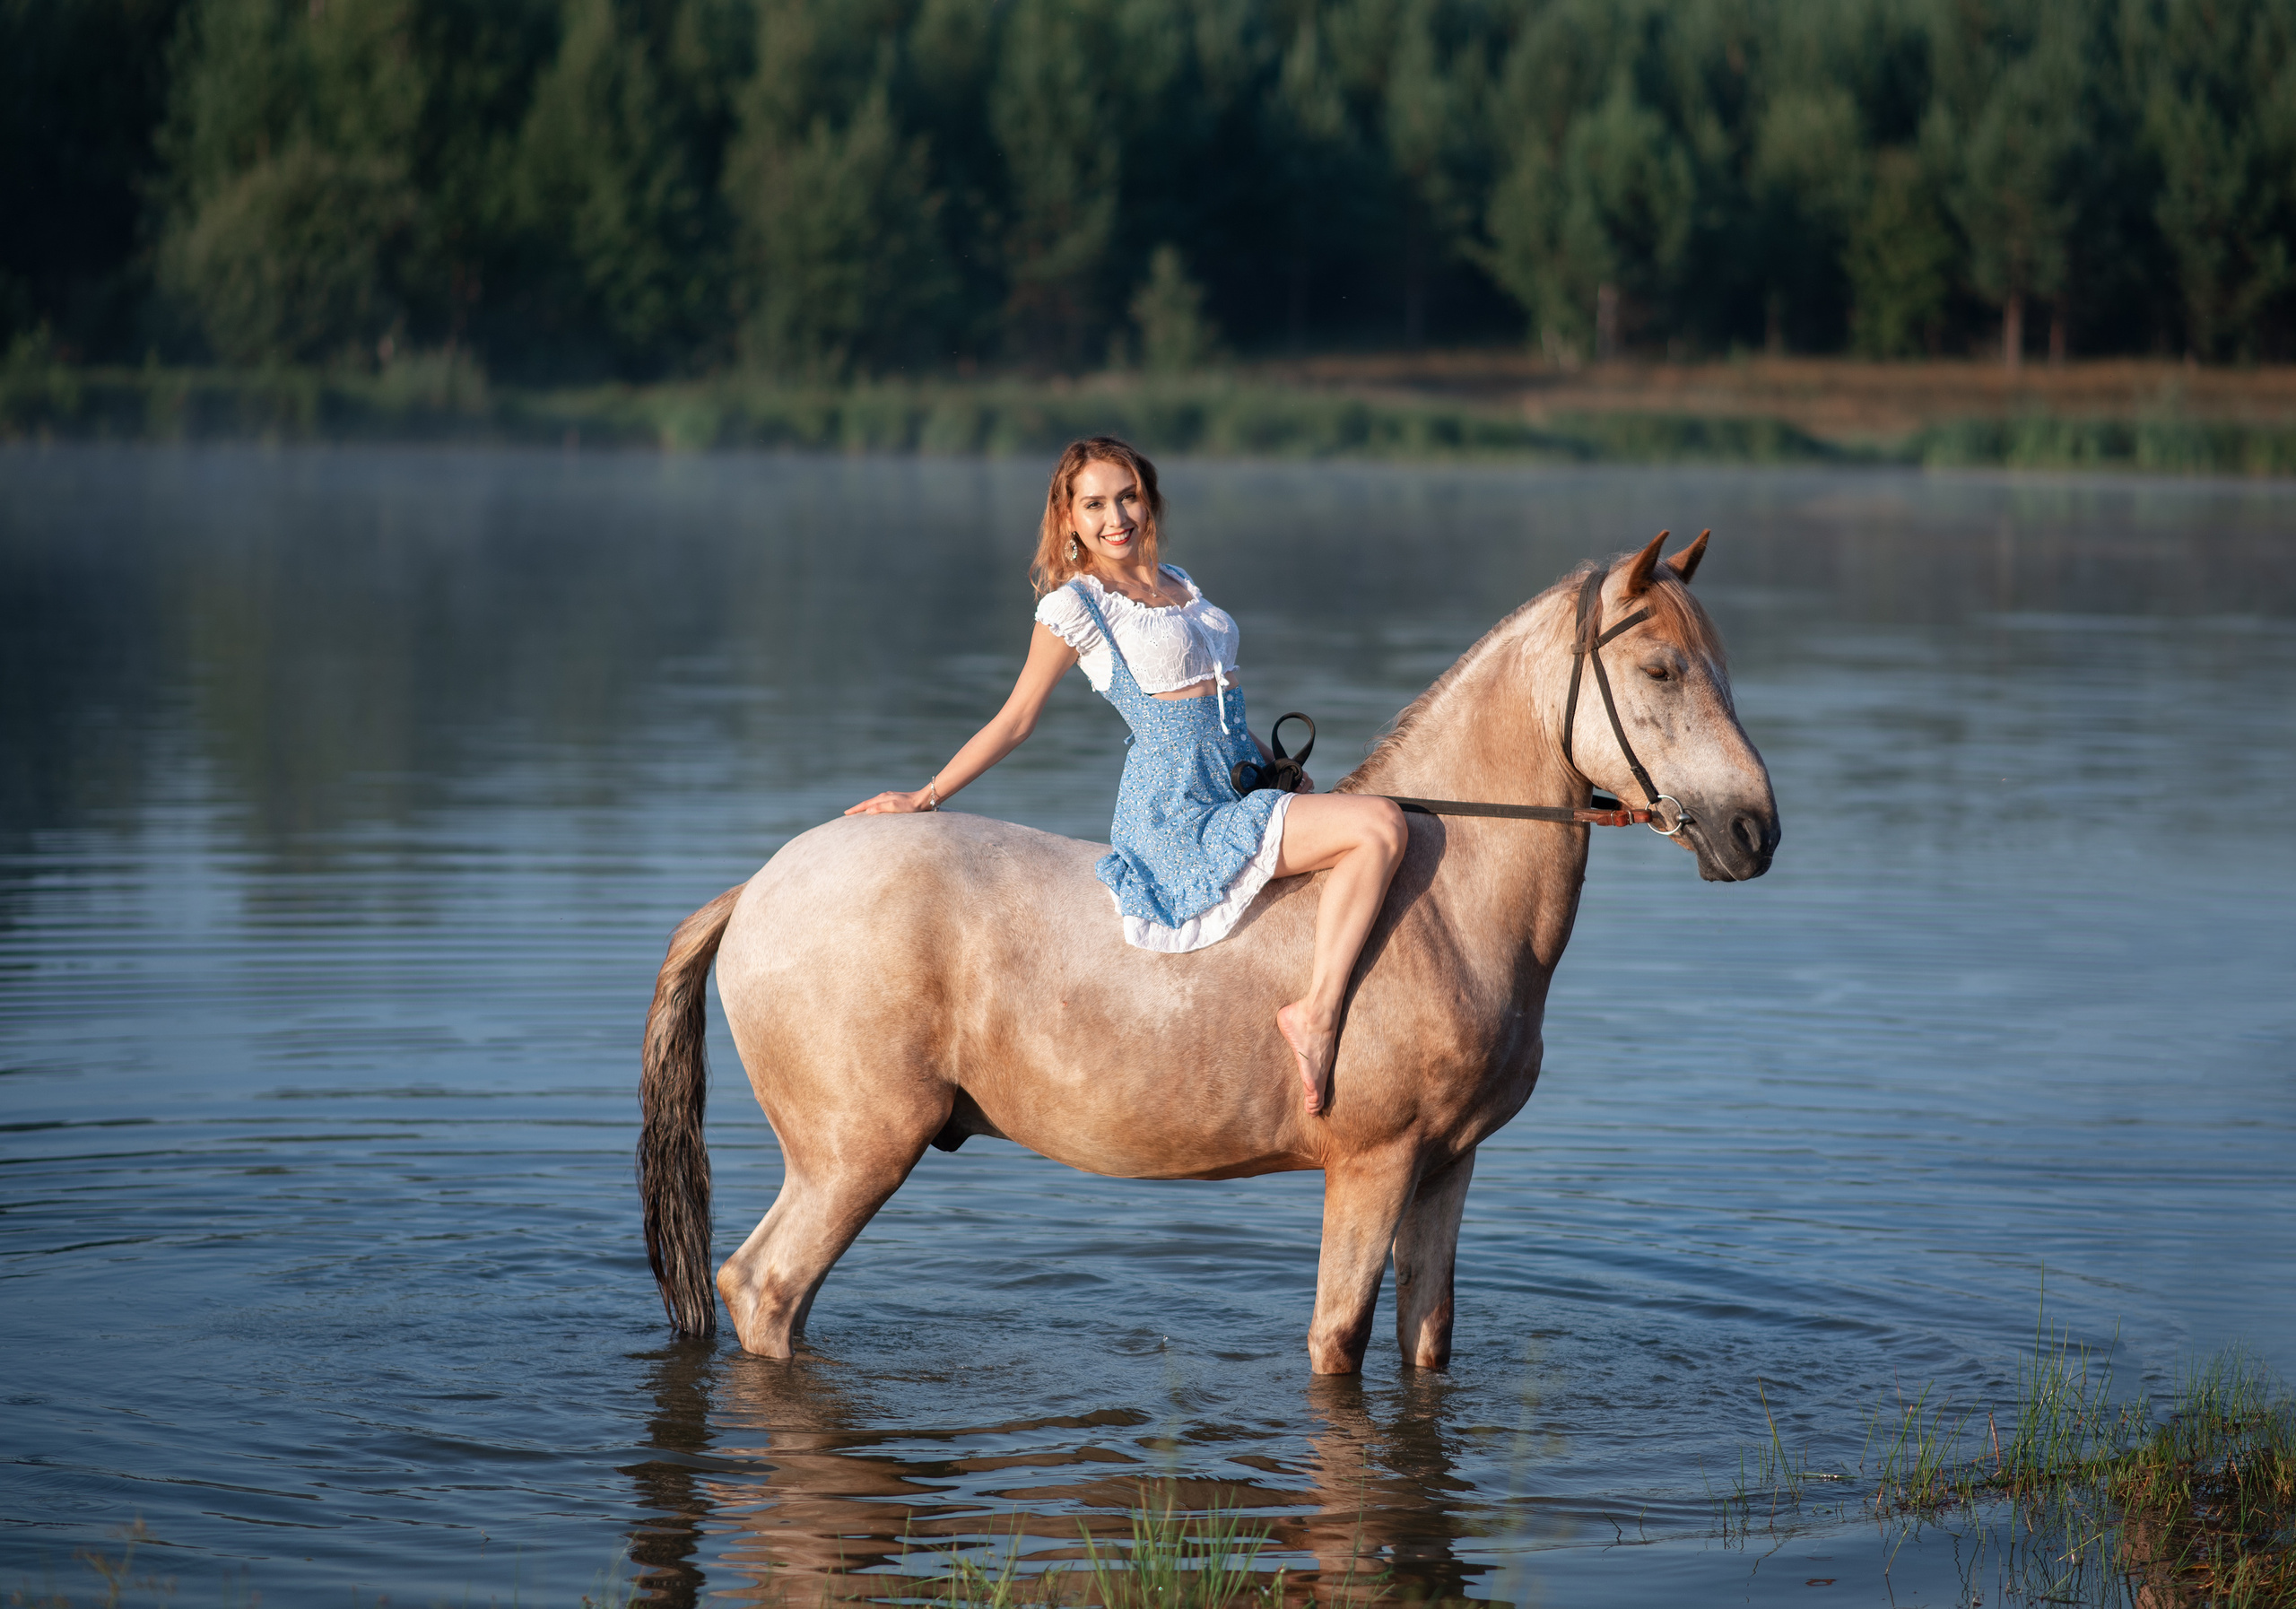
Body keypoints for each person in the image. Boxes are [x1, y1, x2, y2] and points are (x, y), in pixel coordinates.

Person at [846, 437, 1407, 1115]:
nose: (1116, 517)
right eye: (1094, 504)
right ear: (1069, 519)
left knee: (1373, 814)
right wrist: (924, 796)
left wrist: (1272, 767)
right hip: (1176, 812)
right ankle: (1315, 1014)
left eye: (1128, 496)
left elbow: (1217, 708)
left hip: (1240, 786)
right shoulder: (1077, 607)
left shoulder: (1181, 584)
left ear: (1149, 500)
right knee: (1379, 825)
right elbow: (1016, 719)